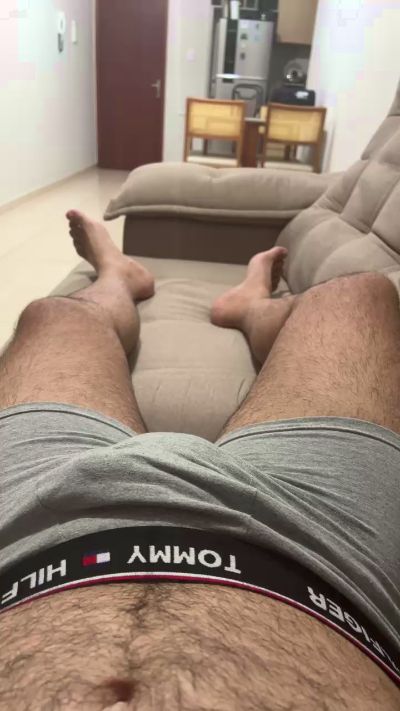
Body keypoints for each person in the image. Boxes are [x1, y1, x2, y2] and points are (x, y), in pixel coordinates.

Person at [0, 210, 399, 710]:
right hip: (324, 548)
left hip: (21, 529)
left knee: (54, 316)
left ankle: (245, 306)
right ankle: (119, 275)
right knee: (358, 296)